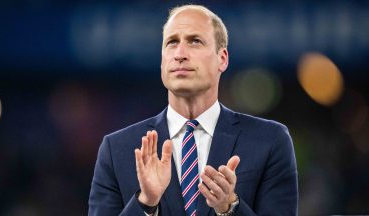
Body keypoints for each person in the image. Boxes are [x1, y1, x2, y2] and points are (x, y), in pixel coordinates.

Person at [88, 4, 298, 216]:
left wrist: (229, 207)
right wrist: (146, 203)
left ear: (222, 59)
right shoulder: (117, 149)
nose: (180, 54)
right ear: (162, 61)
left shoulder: (269, 140)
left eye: (195, 41)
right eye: (172, 42)